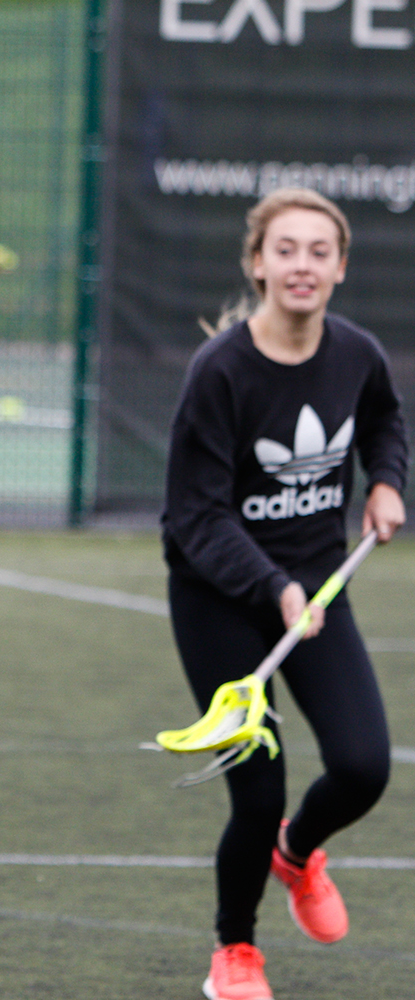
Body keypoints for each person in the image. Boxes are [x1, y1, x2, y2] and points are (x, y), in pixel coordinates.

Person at [161, 188, 404, 1000]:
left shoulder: (358, 354)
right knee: (258, 787)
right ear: (257, 263)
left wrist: (387, 484)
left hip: (317, 590)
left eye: (320, 252)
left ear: (340, 268)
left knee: (365, 767)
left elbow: (383, 425)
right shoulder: (219, 371)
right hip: (220, 599)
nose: (303, 265)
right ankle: (235, 950)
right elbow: (194, 516)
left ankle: (297, 854)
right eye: (287, 250)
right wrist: (273, 587)